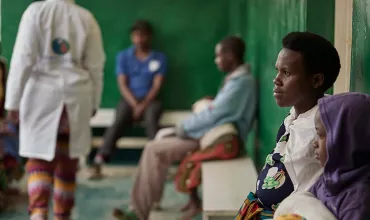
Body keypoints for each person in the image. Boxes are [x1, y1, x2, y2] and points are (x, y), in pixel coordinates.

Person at [113, 36, 256, 220]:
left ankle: (139, 210)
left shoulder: (241, 82)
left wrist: (180, 128)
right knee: (157, 145)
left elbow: (214, 114)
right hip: (210, 135)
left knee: (154, 148)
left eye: (219, 56)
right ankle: (148, 201)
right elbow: (220, 110)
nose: (216, 60)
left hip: (220, 141)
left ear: (230, 56)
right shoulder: (236, 79)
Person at [5, 0, 105, 219]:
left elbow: (23, 59)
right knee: (67, 161)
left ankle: (39, 212)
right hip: (76, 98)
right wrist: (95, 103)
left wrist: (12, 102)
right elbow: (96, 66)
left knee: (39, 158)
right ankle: (62, 214)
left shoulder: (35, 12)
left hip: (41, 96)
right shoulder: (86, 17)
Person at [235, 31, 341, 220]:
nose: (276, 80)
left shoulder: (324, 124)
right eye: (277, 70)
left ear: (316, 80)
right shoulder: (294, 115)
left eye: (286, 73)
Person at [90, 20, 167, 179]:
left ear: (149, 37)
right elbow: (122, 84)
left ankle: (158, 162)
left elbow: (157, 85)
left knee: (152, 119)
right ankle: (101, 159)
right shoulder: (124, 56)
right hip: (129, 100)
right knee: (119, 119)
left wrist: (143, 105)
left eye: (143, 35)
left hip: (150, 101)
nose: (139, 39)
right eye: (136, 35)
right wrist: (134, 104)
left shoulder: (159, 58)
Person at [309, 92, 370, 220]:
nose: (314, 143)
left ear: (344, 141)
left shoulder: (357, 201)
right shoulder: (326, 180)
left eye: (320, 135)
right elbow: (304, 202)